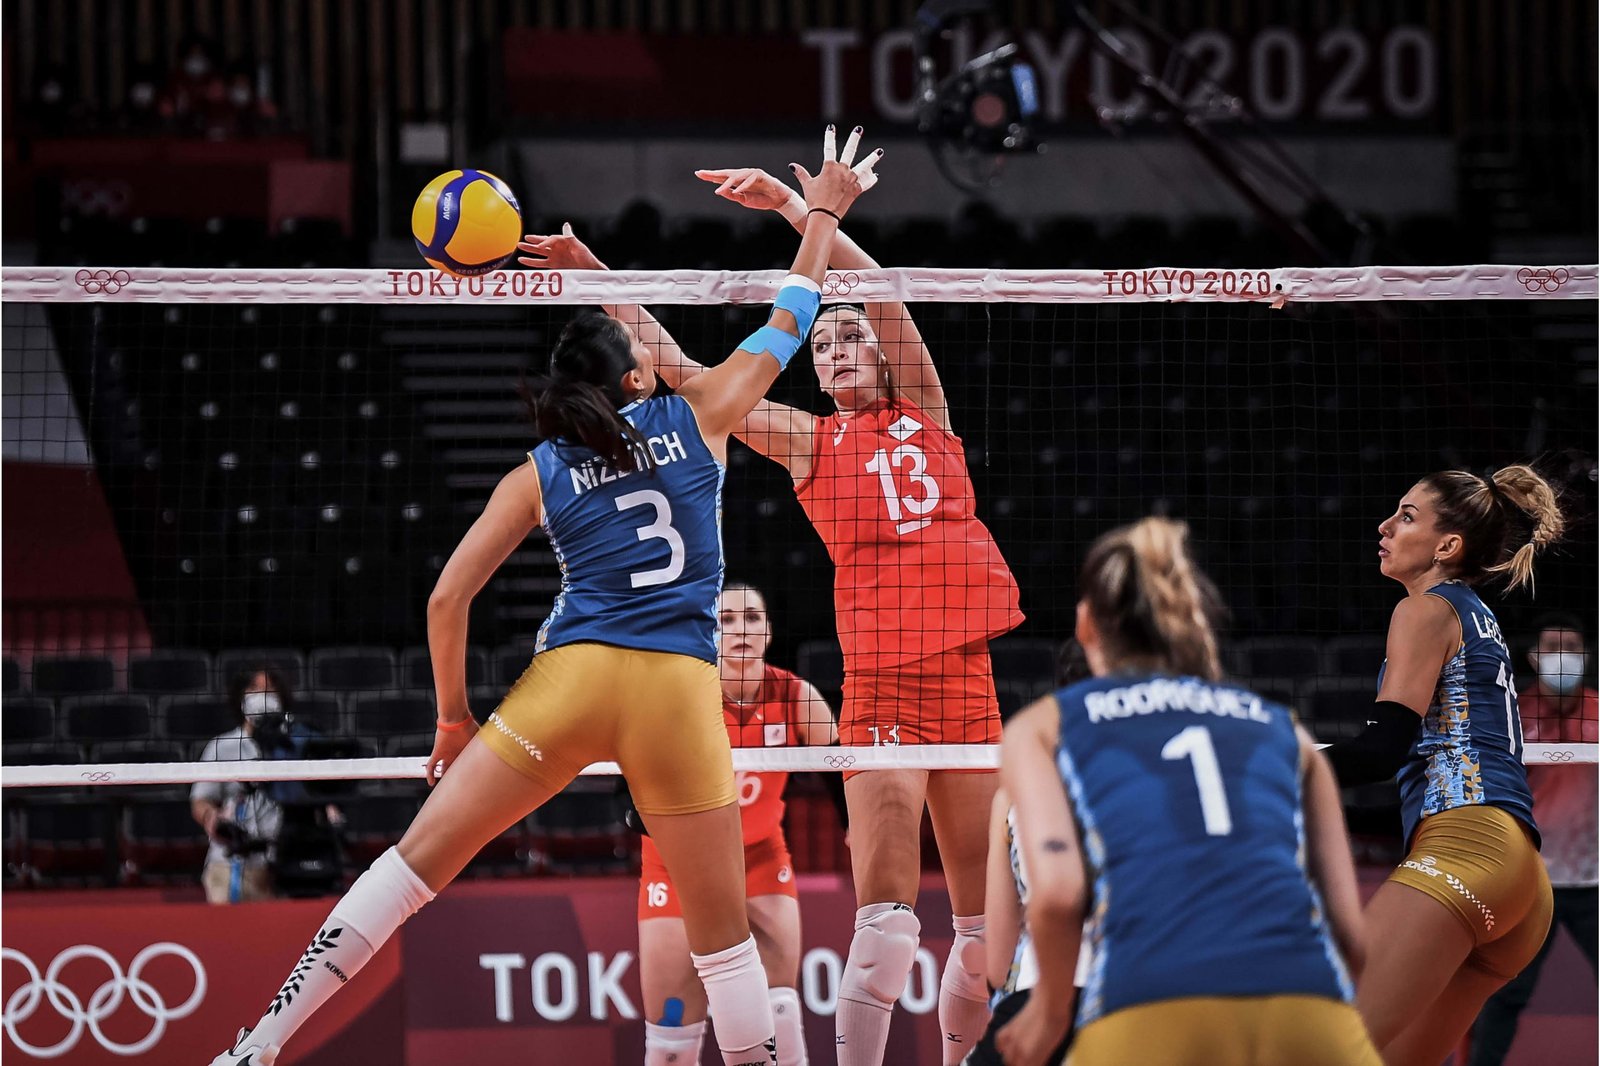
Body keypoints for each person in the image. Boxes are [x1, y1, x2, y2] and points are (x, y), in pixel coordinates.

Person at [210, 126, 880, 1066]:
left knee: (408, 871)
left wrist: (452, 722)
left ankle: (260, 1045)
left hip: (570, 682)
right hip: (678, 697)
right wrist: (822, 214)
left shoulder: (539, 470)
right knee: (727, 950)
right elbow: (794, 312)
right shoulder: (706, 413)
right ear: (640, 376)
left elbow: (448, 601)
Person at [521, 131, 1022, 1065]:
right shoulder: (809, 445)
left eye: (846, 339)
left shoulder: (929, 416)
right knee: (885, 936)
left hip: (970, 684)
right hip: (882, 691)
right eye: (821, 343)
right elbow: (680, 372)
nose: (833, 350)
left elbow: (885, 298)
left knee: (988, 939)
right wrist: (596, 274)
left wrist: (804, 215)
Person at [995, 517, 1378, 1066]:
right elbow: (1351, 937)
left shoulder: (1043, 726)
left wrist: (1051, 1012)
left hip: (1151, 1001)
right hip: (1309, 1003)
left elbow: (1056, 894)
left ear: (1085, 624)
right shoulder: (1283, 728)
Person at [1324, 466, 1565, 1066]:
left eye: (1406, 515)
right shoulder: (1475, 614)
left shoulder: (1425, 611)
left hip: (1466, 850)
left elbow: (1380, 749)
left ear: (1447, 546)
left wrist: (1263, 763)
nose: (1384, 525)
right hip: (1519, 881)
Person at [638, 582, 838, 1066]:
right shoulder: (682, 698)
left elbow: (843, 769)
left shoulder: (797, 697)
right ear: (709, 634)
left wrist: (855, 825)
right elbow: (632, 770)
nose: (739, 629)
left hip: (761, 860)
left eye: (751, 618)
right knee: (669, 1039)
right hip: (676, 868)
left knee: (780, 1015)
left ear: (767, 633)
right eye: (725, 620)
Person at [1468, 616, 1596, 1065]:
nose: (1563, 656)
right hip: (1530, 885)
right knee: (1506, 996)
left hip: (1594, 882)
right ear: (1535, 658)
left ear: (1586, 656)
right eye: (1553, 647)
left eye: (1572, 646)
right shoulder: (1514, 716)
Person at [963, 640, 1092, 1066]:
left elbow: (997, 966)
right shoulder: (1169, 784)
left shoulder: (1015, 792)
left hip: (1039, 1001)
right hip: (1145, 1005)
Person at [190, 666, 295, 904]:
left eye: (269, 690)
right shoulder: (222, 746)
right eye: (255, 689)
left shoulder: (291, 746)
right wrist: (211, 818)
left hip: (278, 866)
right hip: (229, 864)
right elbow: (200, 800)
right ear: (241, 697)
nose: (262, 696)